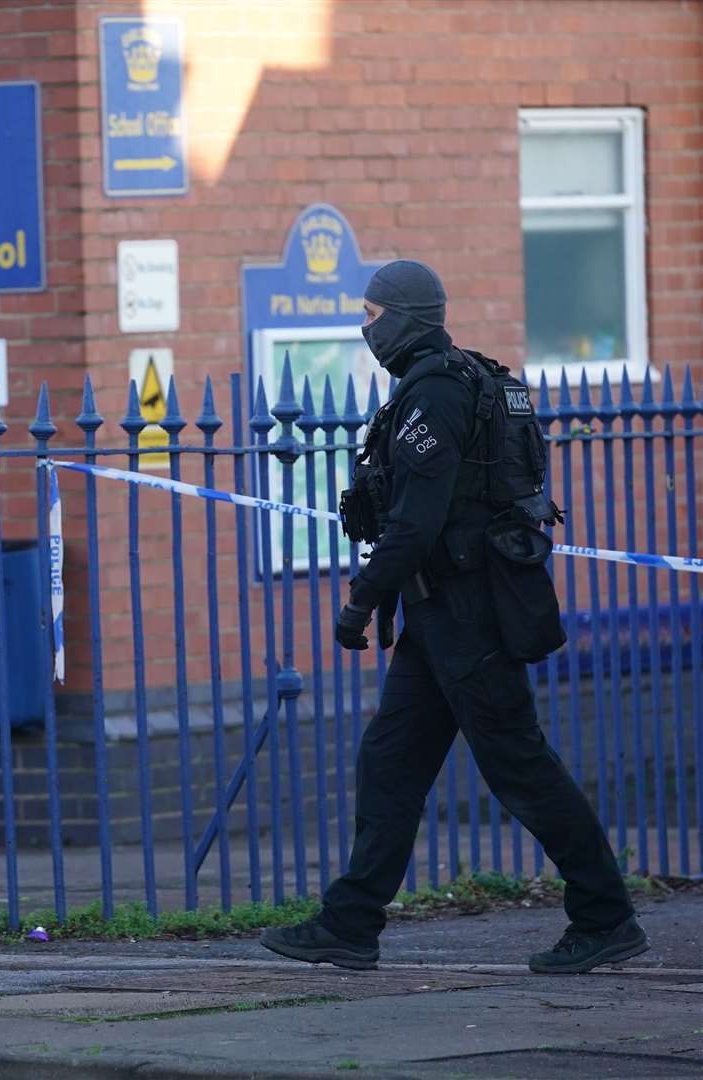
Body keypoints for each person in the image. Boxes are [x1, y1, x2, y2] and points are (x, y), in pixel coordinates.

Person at [260, 260, 647, 975]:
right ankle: (350, 923)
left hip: (466, 612)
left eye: (371, 315)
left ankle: (606, 916)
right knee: (391, 761)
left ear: (404, 316)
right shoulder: (453, 378)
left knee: (519, 765)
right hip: (443, 613)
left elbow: (416, 522)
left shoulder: (436, 392)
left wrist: (361, 599)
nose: (364, 328)